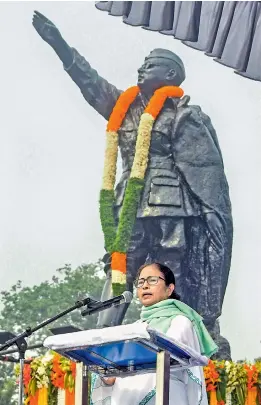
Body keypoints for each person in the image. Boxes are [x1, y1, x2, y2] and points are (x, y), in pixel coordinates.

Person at [32, 11, 233, 355]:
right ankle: (103, 335)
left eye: (150, 65)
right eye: (142, 64)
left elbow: (206, 175)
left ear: (170, 75)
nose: (141, 69)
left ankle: (180, 336)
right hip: (130, 204)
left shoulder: (186, 115)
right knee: (120, 267)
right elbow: (90, 82)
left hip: (172, 207)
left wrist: (213, 225)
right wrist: (60, 45)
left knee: (172, 272)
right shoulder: (123, 107)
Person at [91, 262, 217, 405]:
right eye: (141, 282)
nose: (145, 286)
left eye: (152, 280)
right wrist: (107, 374)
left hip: (165, 396)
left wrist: (124, 365)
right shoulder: (136, 327)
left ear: (169, 289)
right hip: (128, 397)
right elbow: (116, 373)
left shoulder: (180, 321)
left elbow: (166, 354)